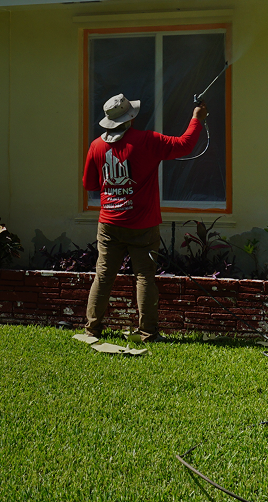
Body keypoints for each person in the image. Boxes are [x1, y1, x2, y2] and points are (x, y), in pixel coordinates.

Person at [82, 93, 207, 342]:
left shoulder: (96, 145)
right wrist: (197, 119)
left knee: (104, 276)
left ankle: (91, 330)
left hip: (108, 224)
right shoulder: (146, 140)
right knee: (144, 277)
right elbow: (184, 145)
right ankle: (148, 332)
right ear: (130, 119)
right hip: (143, 226)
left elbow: (90, 185)